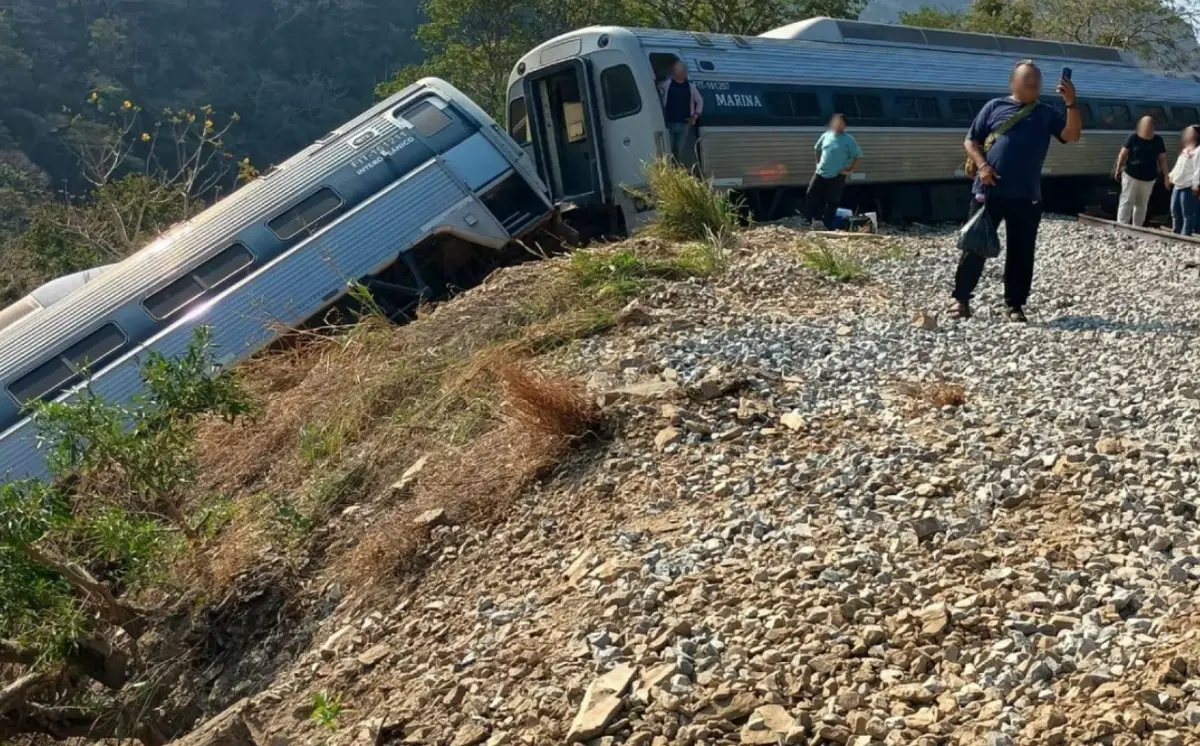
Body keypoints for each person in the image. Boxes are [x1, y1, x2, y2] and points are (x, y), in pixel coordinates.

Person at [950, 60, 1081, 322]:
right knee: (974, 246)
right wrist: (983, 165)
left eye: (1037, 79)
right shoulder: (994, 107)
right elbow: (971, 140)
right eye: (1027, 79)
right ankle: (960, 300)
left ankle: (1015, 305)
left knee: (1022, 252)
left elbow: (1072, 135)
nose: (1033, 83)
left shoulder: (1047, 112)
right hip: (988, 191)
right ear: (1013, 82)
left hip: (1027, 194)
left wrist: (1070, 104)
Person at [806, 113, 862, 229]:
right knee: (811, 194)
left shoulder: (849, 140)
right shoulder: (826, 135)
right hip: (820, 172)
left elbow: (858, 156)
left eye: (841, 123)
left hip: (837, 175)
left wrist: (849, 170)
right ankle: (815, 219)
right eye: (835, 122)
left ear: (845, 126)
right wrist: (817, 163)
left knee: (832, 201)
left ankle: (827, 224)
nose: (837, 125)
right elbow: (817, 148)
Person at [1114, 115, 1168, 226]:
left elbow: (1162, 159)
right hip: (1131, 174)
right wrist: (1118, 168)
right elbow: (1123, 154)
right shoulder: (1133, 137)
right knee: (1127, 200)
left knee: (1142, 204)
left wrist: (1166, 176)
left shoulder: (1158, 140)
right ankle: (1122, 225)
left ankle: (1137, 227)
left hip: (1149, 177)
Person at [657, 60, 703, 171]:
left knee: (679, 150)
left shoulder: (690, 87)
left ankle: (677, 171)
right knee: (669, 149)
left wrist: (695, 116)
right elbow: (660, 89)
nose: (680, 73)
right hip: (670, 123)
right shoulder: (668, 84)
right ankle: (670, 171)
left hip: (684, 124)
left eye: (682, 71)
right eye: (678, 70)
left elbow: (700, 101)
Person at [1167, 124, 1200, 235]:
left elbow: (1198, 169)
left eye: (1190, 133)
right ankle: (1176, 232)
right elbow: (1179, 164)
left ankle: (1186, 234)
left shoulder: (1198, 150)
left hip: (1188, 185)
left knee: (1187, 213)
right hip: (1178, 184)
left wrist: (1195, 185)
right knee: (1175, 210)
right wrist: (1171, 175)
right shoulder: (1185, 150)